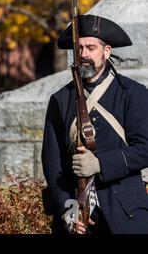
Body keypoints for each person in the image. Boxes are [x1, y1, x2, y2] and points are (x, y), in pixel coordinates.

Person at [42, 14, 148, 234]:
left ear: (106, 52)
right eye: (79, 48)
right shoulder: (60, 100)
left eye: (91, 47)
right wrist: (67, 209)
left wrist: (101, 164)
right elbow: (53, 164)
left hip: (126, 214)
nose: (84, 55)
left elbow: (145, 149)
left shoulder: (133, 94)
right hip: (76, 215)